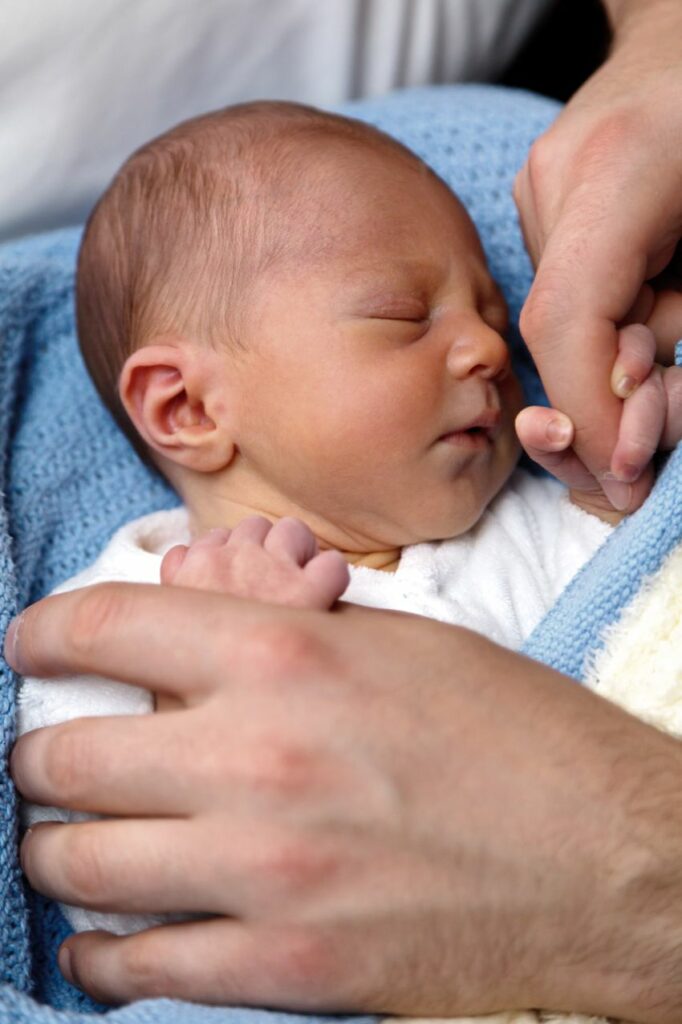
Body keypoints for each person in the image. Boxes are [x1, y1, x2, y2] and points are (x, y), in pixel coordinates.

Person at [7, 0, 682, 1016]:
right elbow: (117, 888)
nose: (491, 349)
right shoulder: (137, 603)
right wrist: (202, 693)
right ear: (186, 406)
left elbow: (645, 647)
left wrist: (617, 493)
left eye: (491, 310)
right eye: (404, 316)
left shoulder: (528, 518)